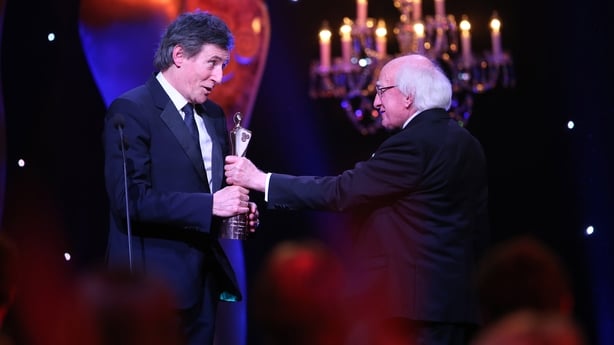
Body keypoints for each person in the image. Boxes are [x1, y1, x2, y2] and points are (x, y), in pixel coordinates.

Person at [225, 53, 489, 345]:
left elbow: (342, 191)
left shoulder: (413, 143)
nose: (375, 103)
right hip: (455, 306)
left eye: (381, 90)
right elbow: (478, 229)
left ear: (409, 96)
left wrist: (262, 181)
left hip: (413, 311)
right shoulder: (469, 144)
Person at [102, 10, 259, 345]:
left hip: (202, 285)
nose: (219, 76)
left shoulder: (214, 115)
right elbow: (129, 200)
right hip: (151, 288)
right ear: (179, 55)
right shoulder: (131, 110)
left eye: (224, 65)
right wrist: (211, 205)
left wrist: (236, 211)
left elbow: (210, 192)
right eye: (212, 63)